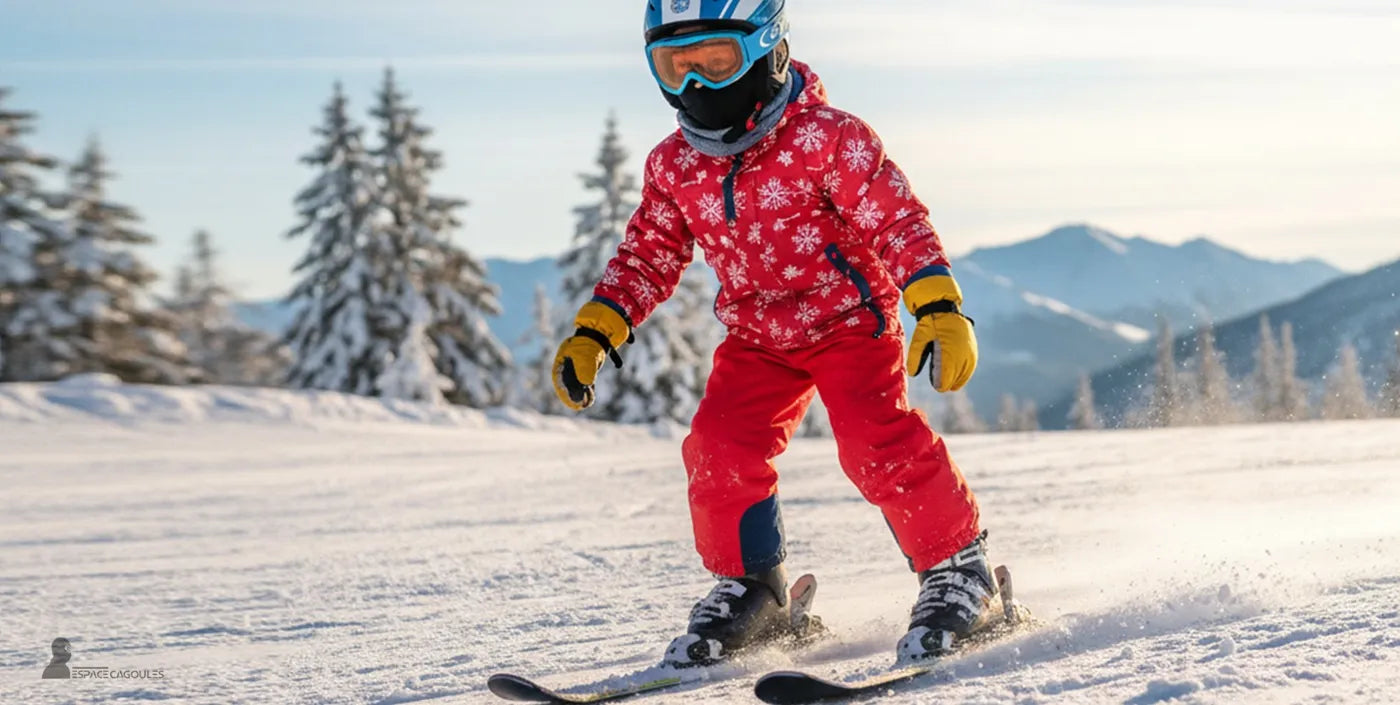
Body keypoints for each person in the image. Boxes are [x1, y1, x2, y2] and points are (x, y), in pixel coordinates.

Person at [553, 0, 996, 666]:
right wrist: (597, 329)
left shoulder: (830, 138)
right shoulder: (675, 166)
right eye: (675, 67)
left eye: (716, 61)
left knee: (876, 441)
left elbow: (895, 220)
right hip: (758, 338)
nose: (695, 85)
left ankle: (960, 569)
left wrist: (936, 304)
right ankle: (753, 587)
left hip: (849, 321)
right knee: (718, 447)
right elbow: (647, 255)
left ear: (768, 50)